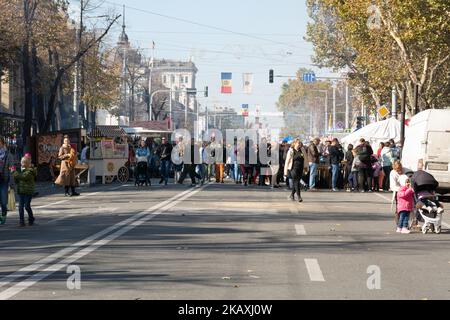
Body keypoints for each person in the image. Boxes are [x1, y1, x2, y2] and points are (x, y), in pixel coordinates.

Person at [12, 156, 37, 227]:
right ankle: (21, 221)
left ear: (27, 164)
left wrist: (14, 172)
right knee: (20, 207)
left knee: (26, 206)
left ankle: (31, 218)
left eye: (23, 162)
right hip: (21, 191)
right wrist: (15, 177)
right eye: (21, 162)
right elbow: (18, 179)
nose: (21, 163)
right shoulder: (21, 170)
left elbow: (23, 177)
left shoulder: (30, 171)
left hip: (28, 192)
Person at [0, 137, 15, 225]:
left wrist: (11, 181)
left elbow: (12, 169)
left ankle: (3, 215)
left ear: (3, 143)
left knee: (3, 200)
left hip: (4, 180)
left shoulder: (8, 155)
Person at [390, 160, 405, 225]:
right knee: (399, 207)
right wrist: (402, 189)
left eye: (400, 169)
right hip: (398, 192)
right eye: (397, 170)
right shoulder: (392, 173)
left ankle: (409, 222)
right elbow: (393, 186)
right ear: (394, 168)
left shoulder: (405, 170)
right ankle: (399, 223)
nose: (399, 171)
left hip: (407, 191)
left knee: (408, 208)